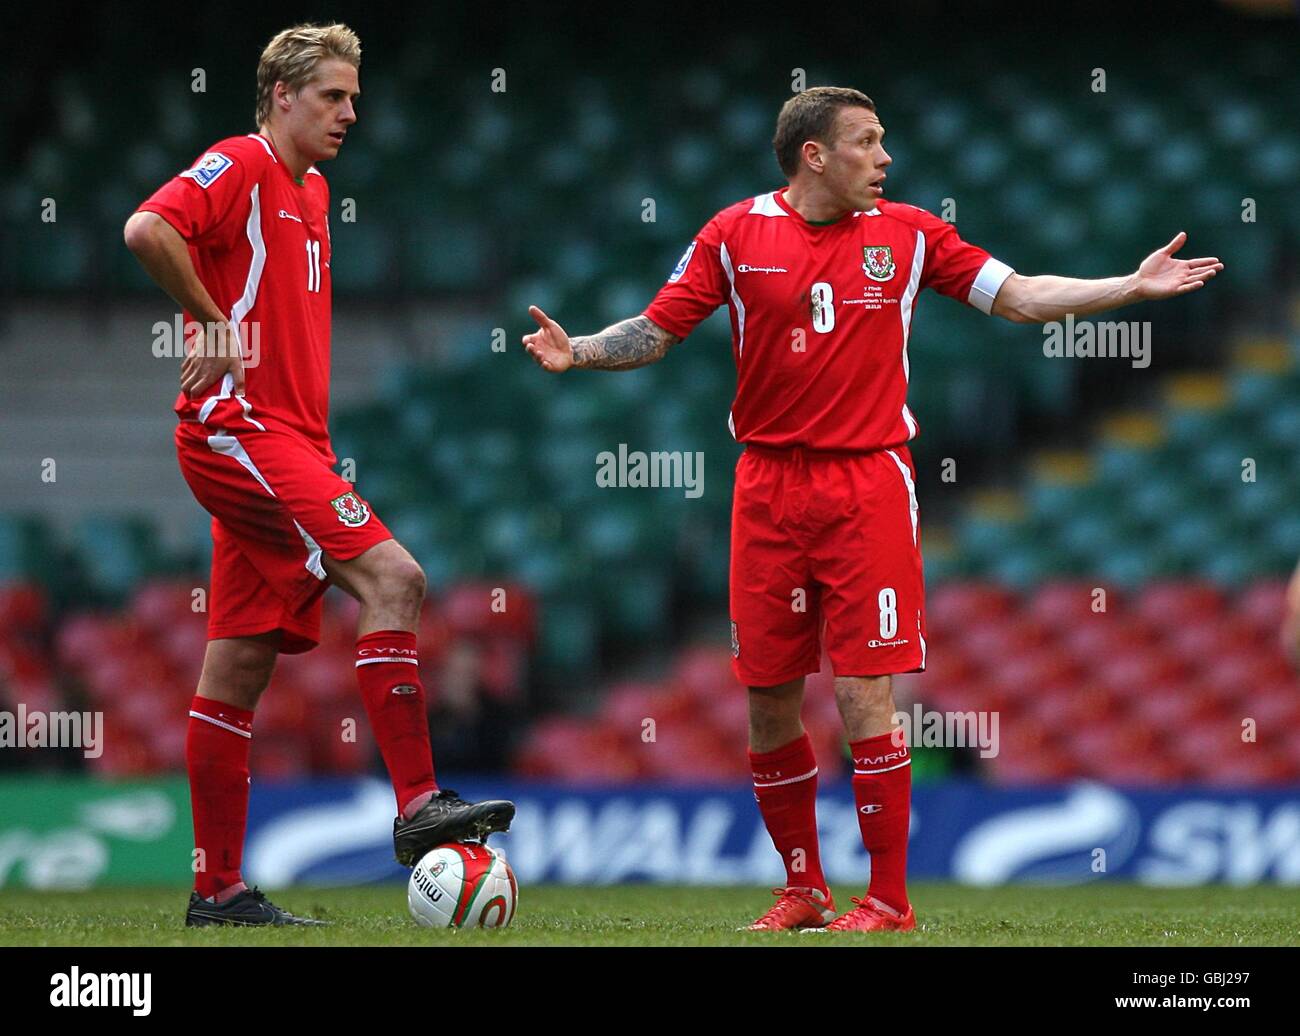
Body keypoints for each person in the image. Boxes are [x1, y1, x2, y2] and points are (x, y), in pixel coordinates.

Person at [523, 86, 1222, 932]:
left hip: (867, 486)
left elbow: (1024, 295)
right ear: (814, 154)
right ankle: (803, 889)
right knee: (769, 696)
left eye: (883, 139)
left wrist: (1129, 288)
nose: (886, 157)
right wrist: (581, 352)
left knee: (864, 700)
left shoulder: (915, 234)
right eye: (867, 140)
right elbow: (659, 328)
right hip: (767, 488)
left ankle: (888, 899)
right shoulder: (733, 234)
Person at [125, 22, 514, 927]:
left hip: (289, 439)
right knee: (395, 577)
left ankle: (216, 891)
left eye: (353, 98)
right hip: (241, 430)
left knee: (235, 668)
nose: (349, 113)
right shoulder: (242, 161)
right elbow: (147, 227)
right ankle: (418, 805)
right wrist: (211, 320)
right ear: (281, 96)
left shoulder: (313, 190)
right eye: (333, 96)